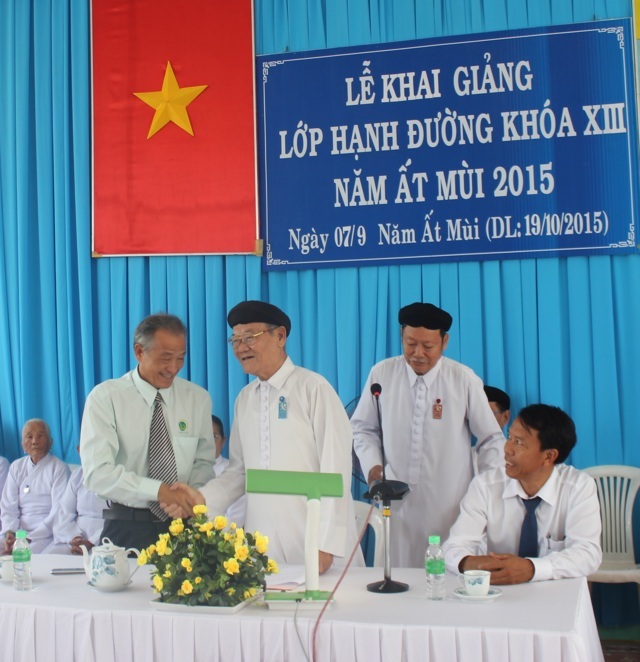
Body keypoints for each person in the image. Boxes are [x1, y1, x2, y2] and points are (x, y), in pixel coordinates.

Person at [169, 301, 361, 574]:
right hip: (262, 541)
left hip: (314, 541)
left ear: (280, 336)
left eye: (250, 338)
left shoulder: (313, 389)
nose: (241, 347)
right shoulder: (245, 400)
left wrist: (325, 543)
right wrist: (202, 499)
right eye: (235, 340)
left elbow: (337, 470)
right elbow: (239, 473)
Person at [352, 302, 505, 567]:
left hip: (451, 503)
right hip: (397, 501)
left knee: (446, 577)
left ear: (444, 342)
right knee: (398, 578)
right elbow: (363, 428)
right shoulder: (382, 373)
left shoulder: (463, 379)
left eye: (428, 346)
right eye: (410, 344)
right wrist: (374, 468)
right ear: (401, 336)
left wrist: (486, 492)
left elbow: (491, 439)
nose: (418, 354)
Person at [80, 313, 216, 549]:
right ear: (139, 351)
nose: (173, 368)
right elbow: (97, 474)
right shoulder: (106, 398)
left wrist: (186, 496)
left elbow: (203, 462)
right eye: (166, 358)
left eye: (180, 358)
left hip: (183, 526)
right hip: (127, 527)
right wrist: (159, 491)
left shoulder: (198, 399)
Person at [443, 404, 602, 584]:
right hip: (499, 592)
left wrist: (531, 568)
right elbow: (454, 546)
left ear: (549, 456)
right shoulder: (486, 485)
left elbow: (587, 554)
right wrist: (469, 562)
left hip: (555, 593)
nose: (507, 449)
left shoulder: (578, 487)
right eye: (509, 437)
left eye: (519, 442)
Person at [0, 419, 70, 553]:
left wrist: (29, 538)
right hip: (18, 531)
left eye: (40, 436)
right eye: (29, 436)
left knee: (25, 555)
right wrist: (10, 533)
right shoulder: (16, 467)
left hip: (44, 534)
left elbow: (58, 511)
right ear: (22, 444)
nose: (34, 441)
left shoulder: (59, 468)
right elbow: (8, 507)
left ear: (50, 442)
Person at [44, 461, 107, 555]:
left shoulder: (117, 474)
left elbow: (120, 517)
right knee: (48, 557)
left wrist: (91, 542)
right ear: (79, 451)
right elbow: (65, 512)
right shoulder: (78, 474)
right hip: (76, 537)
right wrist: (74, 537)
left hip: (104, 539)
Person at [212, 414, 246, 526]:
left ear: (223, 441)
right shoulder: (186, 472)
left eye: (214, 437)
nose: (208, 443)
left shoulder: (233, 472)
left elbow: (235, 518)